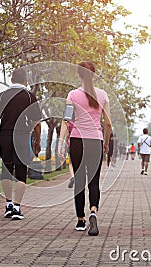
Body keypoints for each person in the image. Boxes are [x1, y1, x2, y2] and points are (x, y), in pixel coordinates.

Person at [58, 61, 111, 236]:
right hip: (96, 141)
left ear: (79, 75)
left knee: (79, 181)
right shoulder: (103, 95)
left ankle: (80, 220)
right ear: (94, 75)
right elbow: (108, 123)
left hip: (77, 141)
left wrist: (60, 142)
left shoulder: (73, 94)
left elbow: (66, 120)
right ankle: (93, 211)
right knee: (94, 180)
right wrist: (107, 142)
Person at [0, 68, 42, 221]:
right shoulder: (29, 97)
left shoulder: (2, 95)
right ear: (25, 80)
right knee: (21, 171)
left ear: (12, 79)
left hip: (5, 135)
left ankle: (8, 205)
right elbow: (36, 123)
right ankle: (17, 208)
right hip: (22, 136)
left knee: (6, 169)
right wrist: (37, 140)